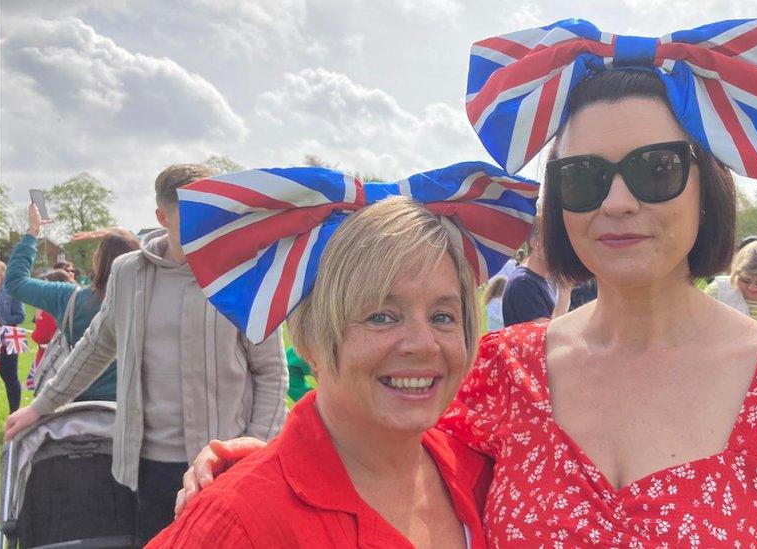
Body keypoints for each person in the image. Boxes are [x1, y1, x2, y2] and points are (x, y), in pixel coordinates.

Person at [178, 18, 757, 546]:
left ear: (707, 188)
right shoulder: (502, 377)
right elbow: (384, 461)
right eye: (584, 175)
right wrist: (258, 469)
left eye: (655, 169)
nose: (618, 201)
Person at [147, 162, 537, 547]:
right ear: (311, 337)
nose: (423, 343)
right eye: (381, 316)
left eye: (443, 316)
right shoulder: (237, 523)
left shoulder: (484, 471)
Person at [4, 164, 290, 544]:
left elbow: (271, 372)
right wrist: (40, 407)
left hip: (221, 467)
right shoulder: (128, 274)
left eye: (210, 214)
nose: (203, 227)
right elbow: (95, 346)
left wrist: (255, 452)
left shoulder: (243, 276)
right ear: (161, 216)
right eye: (189, 216)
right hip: (143, 467)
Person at [4, 204, 139, 402]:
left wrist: (32, 232)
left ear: (97, 261)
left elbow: (15, 281)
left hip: (78, 406)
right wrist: (122, 235)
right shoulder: (149, 299)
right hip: (132, 404)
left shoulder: (70, 298)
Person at [502, 222, 571, 326]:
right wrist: (564, 295)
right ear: (535, 243)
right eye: (555, 242)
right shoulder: (523, 283)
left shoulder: (538, 280)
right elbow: (545, 337)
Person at [0, 259, 26, 412]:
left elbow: (21, 316)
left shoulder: (12, 292)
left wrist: (1, 321)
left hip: (8, 340)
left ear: (2, 276)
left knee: (10, 378)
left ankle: (14, 411)